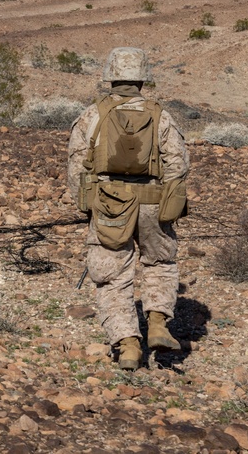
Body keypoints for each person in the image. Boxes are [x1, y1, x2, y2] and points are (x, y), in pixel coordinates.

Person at [68, 47, 190, 370]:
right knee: (160, 262)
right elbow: (178, 162)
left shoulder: (92, 115)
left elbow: (76, 166)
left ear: (110, 75)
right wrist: (169, 205)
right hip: (153, 202)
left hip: (109, 204)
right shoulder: (160, 115)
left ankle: (128, 345)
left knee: (112, 274)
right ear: (141, 77)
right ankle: (159, 322)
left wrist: (87, 207)